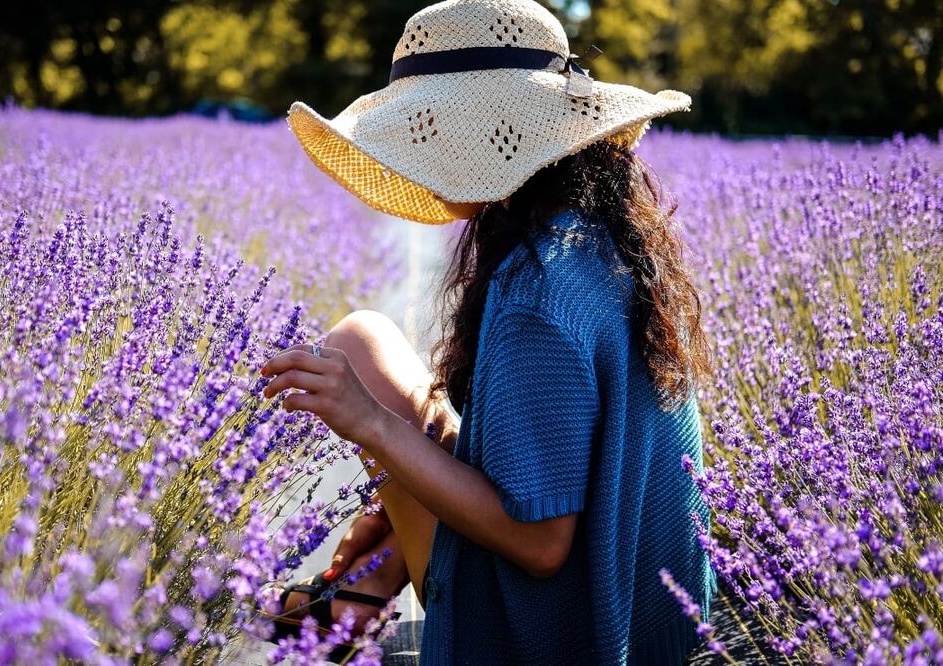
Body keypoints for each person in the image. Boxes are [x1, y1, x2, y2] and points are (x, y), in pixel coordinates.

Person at [259, 0, 719, 663]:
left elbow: (539, 544)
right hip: (652, 615)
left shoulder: (535, 295)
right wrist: (397, 512)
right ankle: (377, 573)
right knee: (363, 342)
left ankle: (361, 589)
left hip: (563, 635)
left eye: (425, 130)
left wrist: (370, 425)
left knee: (357, 363)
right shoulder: (594, 239)